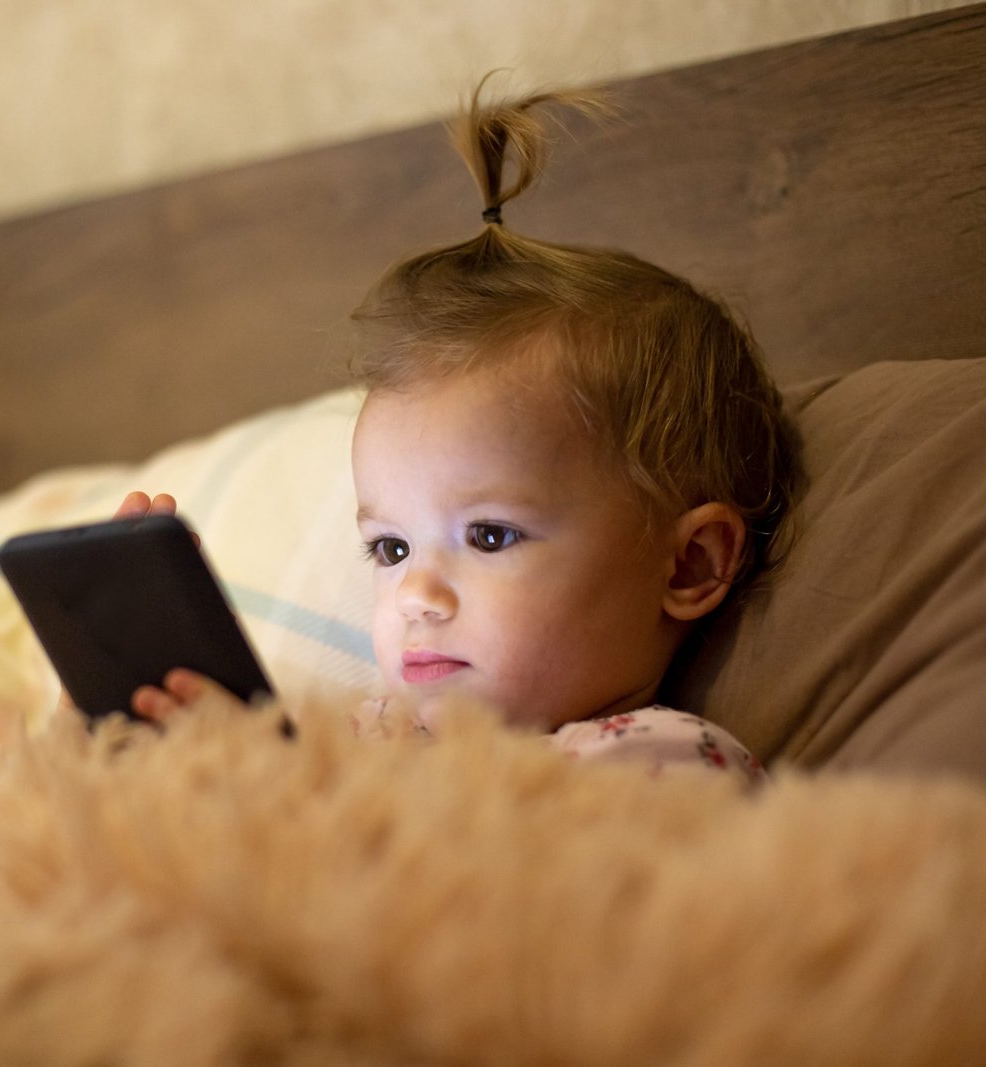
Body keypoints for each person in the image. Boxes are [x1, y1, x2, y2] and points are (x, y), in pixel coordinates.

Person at [115, 80, 797, 782]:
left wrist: (291, 795)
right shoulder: (366, 734)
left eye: (489, 535)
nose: (415, 594)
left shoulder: (658, 760)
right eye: (392, 547)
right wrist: (203, 727)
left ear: (689, 564)